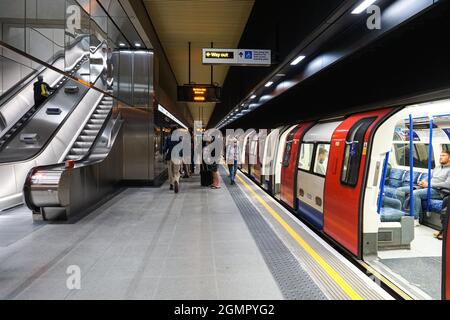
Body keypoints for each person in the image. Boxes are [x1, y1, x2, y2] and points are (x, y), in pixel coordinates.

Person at [396, 150, 450, 220]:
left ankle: (415, 219)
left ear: (449, 158)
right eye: (440, 155)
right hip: (428, 187)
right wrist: (423, 181)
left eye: (443, 155)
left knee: (415, 193)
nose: (440, 157)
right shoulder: (438, 167)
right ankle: (400, 213)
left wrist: (429, 185)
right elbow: (430, 177)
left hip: (439, 191)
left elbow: (447, 184)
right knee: (400, 190)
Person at [163, 127, 181, 193]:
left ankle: (171, 184)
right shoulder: (179, 139)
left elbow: (165, 148)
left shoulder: (168, 138)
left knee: (170, 171)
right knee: (176, 172)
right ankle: (176, 180)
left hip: (169, 157)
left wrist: (163, 151)